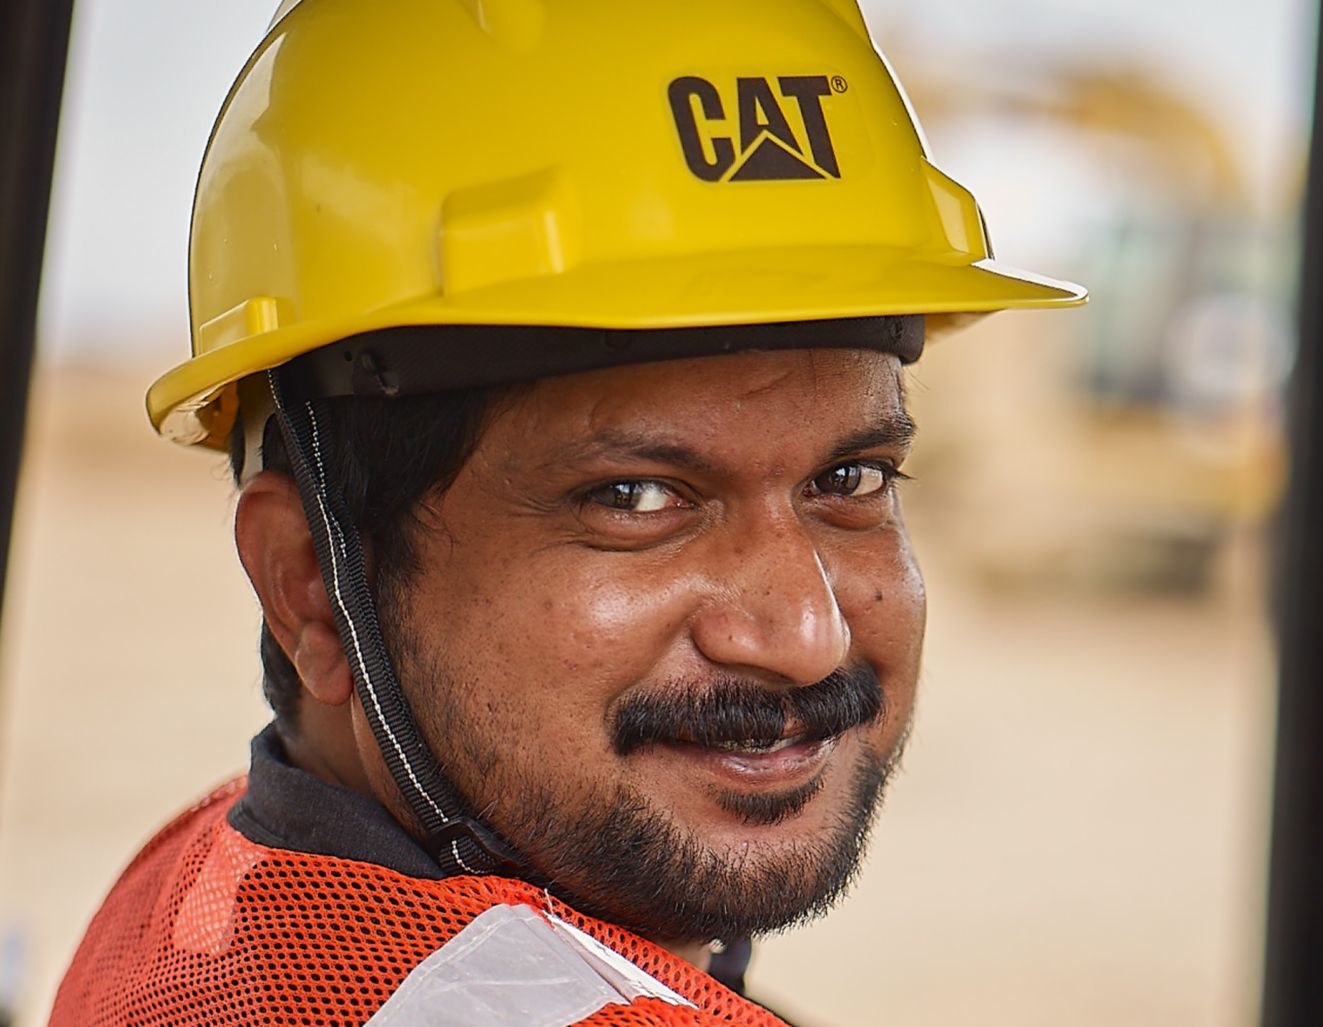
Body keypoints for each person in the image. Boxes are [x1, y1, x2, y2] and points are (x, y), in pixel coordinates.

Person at [47, 0, 1083, 1022]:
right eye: (637, 498)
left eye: (849, 480)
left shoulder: (203, 888)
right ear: (311, 585)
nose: (804, 637)